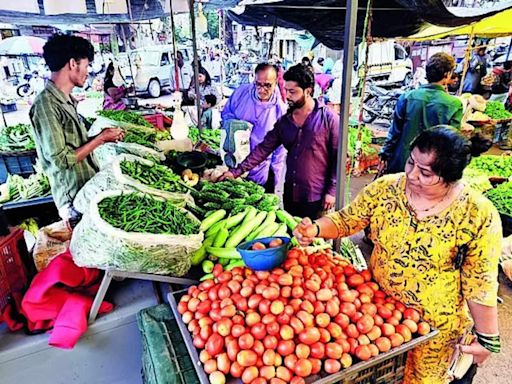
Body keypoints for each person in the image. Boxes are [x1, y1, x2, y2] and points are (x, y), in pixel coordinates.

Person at [294, 127, 500, 384]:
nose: (412, 175)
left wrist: (487, 339)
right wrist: (315, 228)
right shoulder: (386, 188)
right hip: (373, 313)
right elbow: (347, 220)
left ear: (450, 177)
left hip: (435, 329)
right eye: (411, 162)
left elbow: (480, 283)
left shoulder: (477, 213)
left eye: (426, 173)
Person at [221, 64, 339, 219]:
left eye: (292, 92)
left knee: (316, 241)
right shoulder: (285, 121)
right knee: (293, 237)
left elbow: (339, 156)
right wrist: (236, 171)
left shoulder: (328, 118)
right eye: (286, 90)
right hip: (291, 194)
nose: (287, 96)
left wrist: (332, 191)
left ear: (308, 91)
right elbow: (263, 149)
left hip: (318, 196)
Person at [29, 34, 124, 226]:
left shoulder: (65, 100)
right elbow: (61, 160)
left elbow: (76, 145)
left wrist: (101, 136)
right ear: (73, 63)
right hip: (74, 201)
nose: (87, 71)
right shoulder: (46, 105)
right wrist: (101, 139)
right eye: (87, 65)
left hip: (86, 190)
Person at [379, 52, 463, 174]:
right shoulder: (454, 104)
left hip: (401, 162)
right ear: (447, 74)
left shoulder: (407, 97)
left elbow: (394, 133)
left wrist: (384, 154)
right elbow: (451, 142)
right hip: (429, 168)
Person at [221, 63, 287, 192]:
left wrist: (274, 178)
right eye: (258, 84)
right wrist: (236, 126)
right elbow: (226, 113)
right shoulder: (241, 93)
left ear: (275, 83)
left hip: (260, 171)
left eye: (267, 85)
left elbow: (280, 151)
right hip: (234, 164)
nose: (262, 90)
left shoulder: (280, 110)